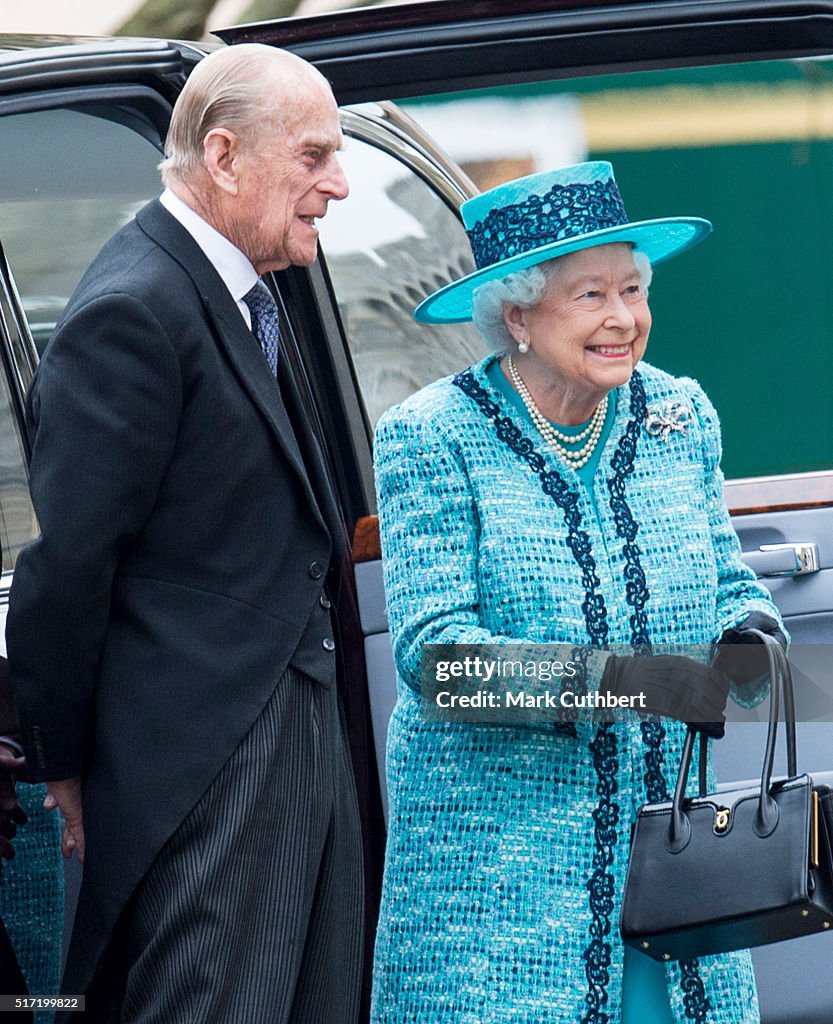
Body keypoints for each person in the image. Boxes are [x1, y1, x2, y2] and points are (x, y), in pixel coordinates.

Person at [370, 161, 786, 1023]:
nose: (624, 319)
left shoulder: (679, 414)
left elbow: (722, 574)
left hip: (677, 881)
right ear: (516, 314)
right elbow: (436, 660)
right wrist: (633, 682)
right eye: (590, 295)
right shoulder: (430, 438)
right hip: (502, 904)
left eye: (633, 289)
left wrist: (748, 629)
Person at [7, 43, 363, 1023]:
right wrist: (61, 766)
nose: (338, 182)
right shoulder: (136, 307)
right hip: (210, 769)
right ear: (223, 155)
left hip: (296, 745)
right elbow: (65, 570)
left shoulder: (247, 289)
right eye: (313, 156)